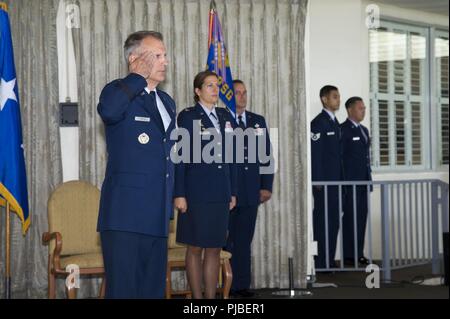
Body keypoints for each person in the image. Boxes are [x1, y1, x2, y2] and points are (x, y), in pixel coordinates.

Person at [97, 31, 176, 298]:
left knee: (152, 292)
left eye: (165, 55)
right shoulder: (117, 91)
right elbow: (108, 111)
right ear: (134, 59)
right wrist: (136, 77)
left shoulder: (167, 102)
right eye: (157, 55)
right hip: (124, 216)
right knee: (124, 292)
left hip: (157, 215)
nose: (164, 61)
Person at [173, 70, 237, 299]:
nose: (214, 89)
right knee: (195, 247)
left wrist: (232, 191)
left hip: (220, 192)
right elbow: (179, 156)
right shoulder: (188, 116)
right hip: (196, 193)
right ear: (197, 91)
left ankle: (211, 300)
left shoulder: (225, 116)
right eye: (209, 85)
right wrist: (179, 193)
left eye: (216, 85)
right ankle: (197, 299)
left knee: (214, 248)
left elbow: (232, 157)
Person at [225, 80, 274, 298]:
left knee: (244, 240)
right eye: (237, 93)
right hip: (227, 193)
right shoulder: (221, 120)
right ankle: (223, 285)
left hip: (251, 191)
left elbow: (266, 155)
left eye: (245, 93)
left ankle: (241, 285)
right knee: (225, 241)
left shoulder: (257, 121)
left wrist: (266, 186)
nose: (242, 97)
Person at [310, 85, 343, 269]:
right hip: (324, 183)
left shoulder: (334, 123)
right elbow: (316, 154)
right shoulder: (318, 123)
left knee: (333, 221)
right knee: (324, 222)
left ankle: (329, 260)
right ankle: (321, 262)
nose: (338, 100)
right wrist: (318, 181)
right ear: (324, 99)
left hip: (336, 182)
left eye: (338, 96)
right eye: (335, 97)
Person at [341, 97, 372, 267]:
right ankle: (348, 255)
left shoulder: (364, 130)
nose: (363, 111)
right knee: (350, 220)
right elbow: (341, 158)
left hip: (364, 182)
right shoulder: (343, 130)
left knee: (361, 219)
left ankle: (358, 253)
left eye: (364, 108)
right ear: (350, 110)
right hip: (350, 184)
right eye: (360, 108)